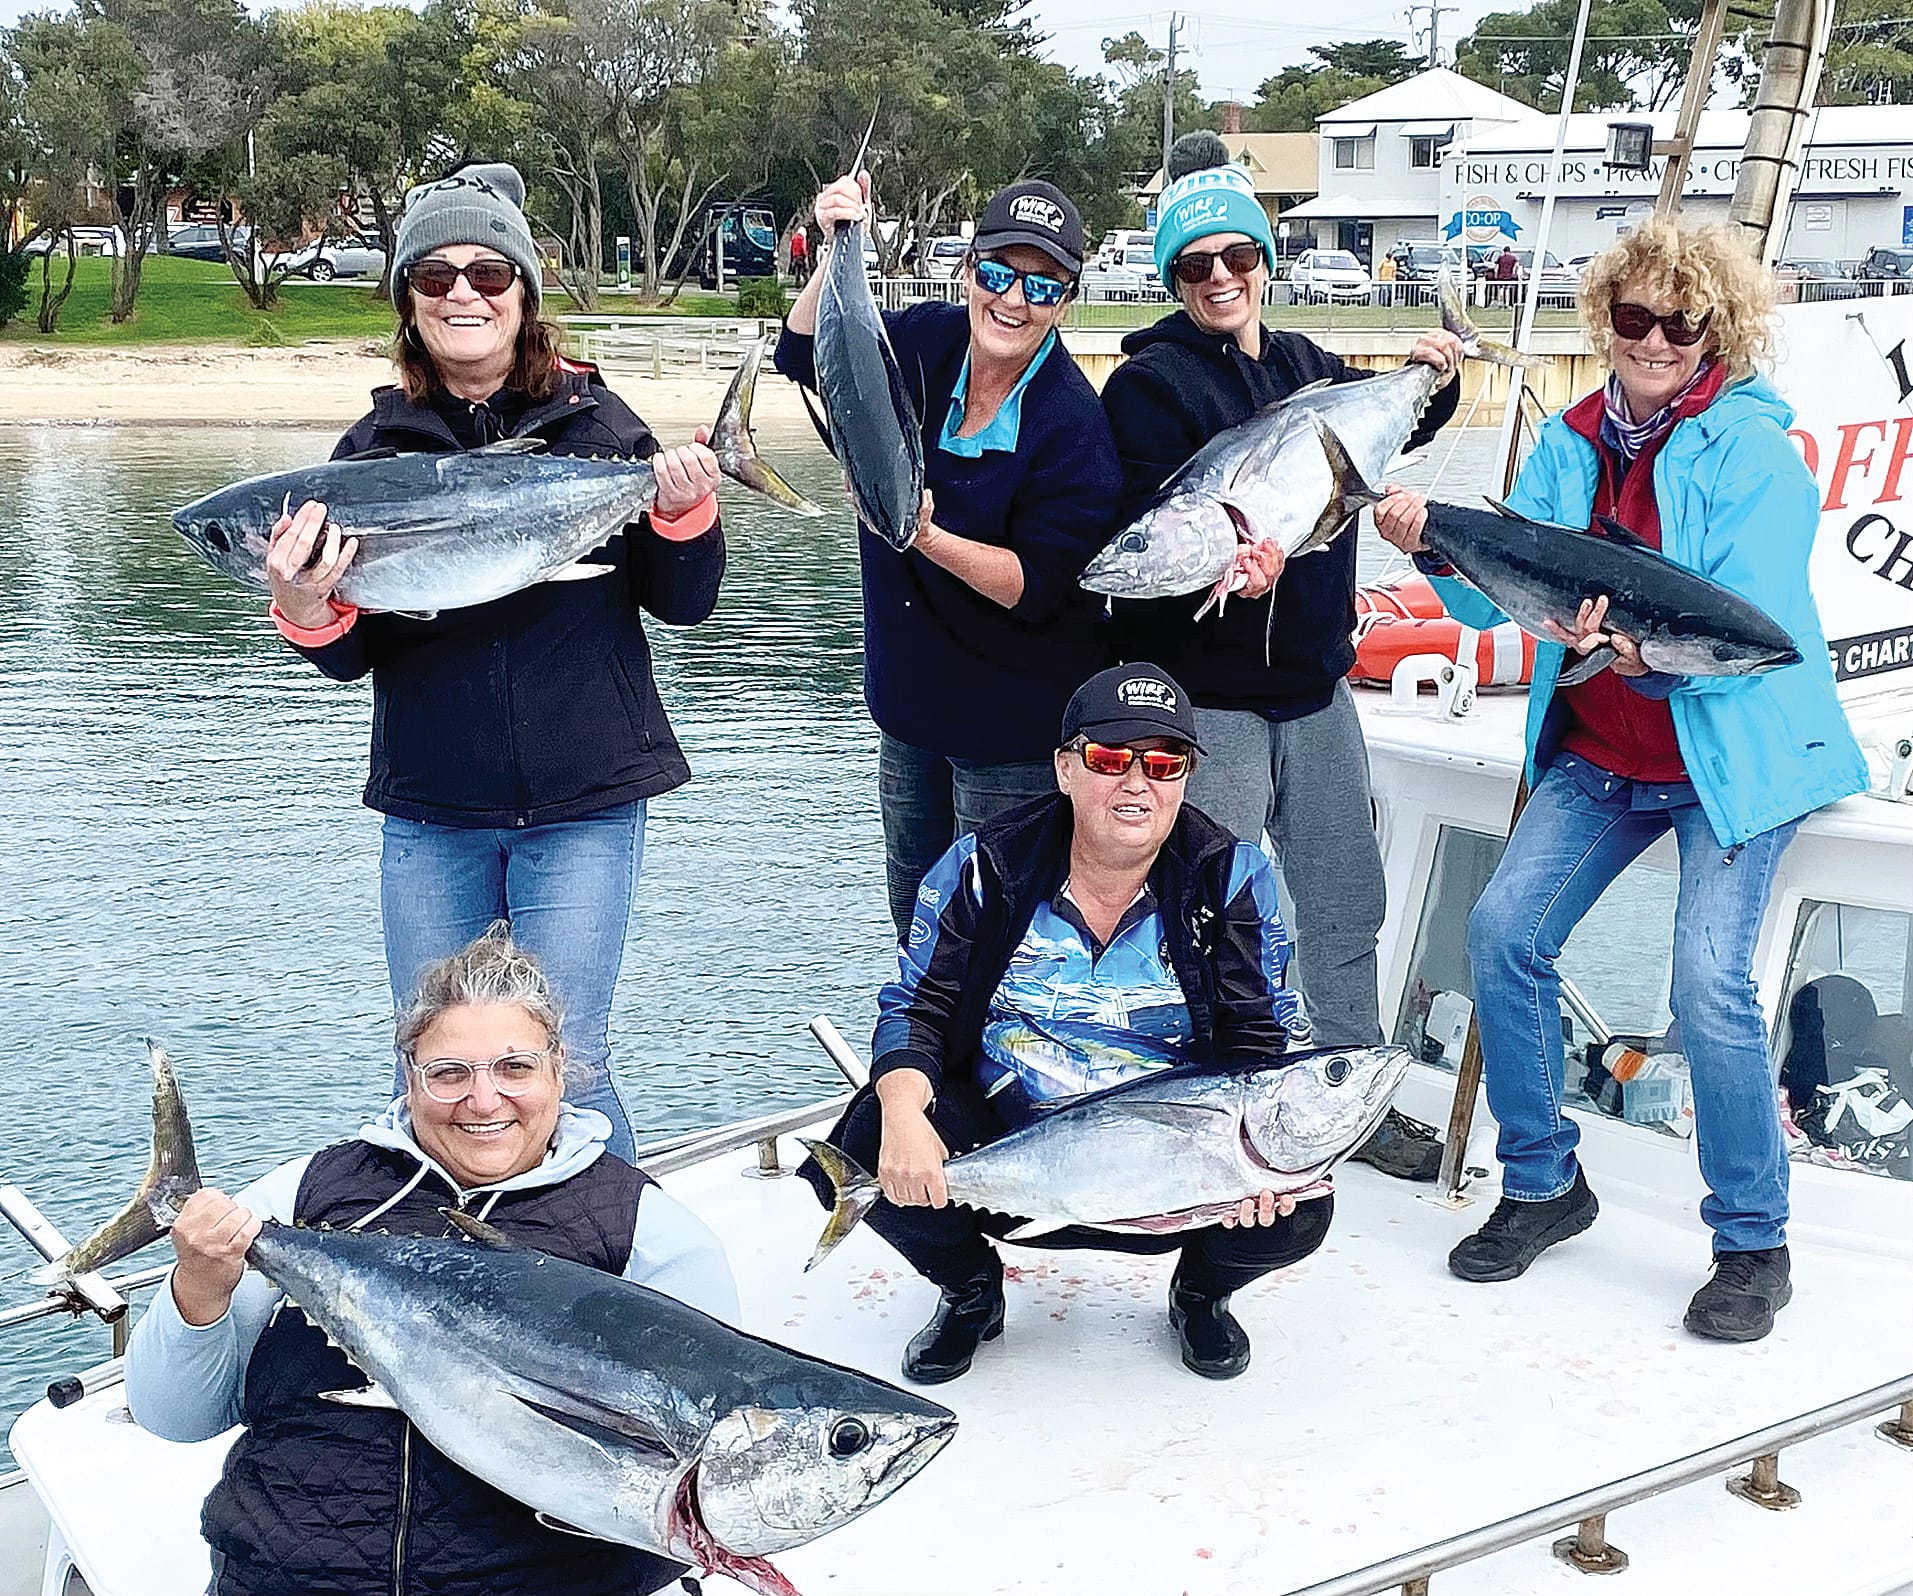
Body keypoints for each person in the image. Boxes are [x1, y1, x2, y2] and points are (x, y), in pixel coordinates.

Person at [1373, 221, 1868, 1341]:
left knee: (1706, 985)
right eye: (1631, 318)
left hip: (1729, 756)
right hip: (1602, 752)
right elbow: (1482, 600)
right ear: (1606, 322)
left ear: (1714, 330)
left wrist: (1644, 658)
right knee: (1501, 932)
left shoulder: (1755, 457)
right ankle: (1545, 1181)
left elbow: (1748, 630)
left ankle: (1750, 1239)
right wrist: (1418, 540)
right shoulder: (1570, 441)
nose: (1650, 339)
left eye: (1676, 321)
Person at [263, 163, 725, 1164]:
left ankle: (608, 1277)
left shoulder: (598, 430)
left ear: (522, 293)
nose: (463, 293)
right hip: (434, 809)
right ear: (408, 306)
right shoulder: (367, 457)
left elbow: (684, 603)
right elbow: (354, 659)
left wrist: (684, 508)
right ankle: (445, 1277)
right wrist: (305, 609)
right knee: (431, 1062)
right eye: (433, 279)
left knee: (571, 1060)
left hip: (586, 800)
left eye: (486, 273)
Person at [123, 925, 738, 1595]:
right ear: (409, 1077)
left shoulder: (643, 1228)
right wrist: (200, 1289)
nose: (482, 1101)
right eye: (449, 1074)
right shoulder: (309, 1195)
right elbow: (175, 1417)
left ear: (560, 1069)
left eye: (515, 1068)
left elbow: (700, 1465)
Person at [1100, 131, 1466, 1182]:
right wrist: (1225, 568)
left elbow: (1387, 430)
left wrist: (1432, 375)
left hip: (1314, 687)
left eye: (1237, 258)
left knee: (1344, 893)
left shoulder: (1311, 367)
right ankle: (1227, 1089)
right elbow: (1145, 532)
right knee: (1219, 904)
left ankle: (1344, 1081)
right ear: (1172, 277)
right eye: (1194, 265)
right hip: (1208, 692)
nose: (1220, 279)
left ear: (1265, 260)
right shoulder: (1146, 386)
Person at [799, 663, 1329, 1386]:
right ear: (1064, 768)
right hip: (1008, 1139)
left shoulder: (1227, 873)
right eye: (1111, 760)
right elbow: (916, 1005)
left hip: (1169, 1162)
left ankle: (1201, 1294)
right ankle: (970, 1291)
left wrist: (1252, 1162)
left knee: (1300, 1202)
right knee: (868, 1138)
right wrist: (900, 1108)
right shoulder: (984, 866)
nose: (1136, 783)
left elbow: (1256, 1039)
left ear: (1186, 777)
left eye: (1163, 762)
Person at [776, 175, 1123, 938]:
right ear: (968, 269)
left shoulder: (1073, 424)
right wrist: (837, 237)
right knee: (919, 923)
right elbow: (803, 355)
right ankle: (926, 1055)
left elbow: (1033, 588)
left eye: (1042, 285)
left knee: (993, 930)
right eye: (997, 273)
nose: (1013, 299)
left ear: (1066, 299)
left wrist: (922, 534)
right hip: (908, 711)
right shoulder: (926, 340)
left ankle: (988, 1056)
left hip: (1011, 733)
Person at [1494, 241, 1520, 307]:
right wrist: (1514, 274)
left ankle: (1500, 303)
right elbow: (1516, 266)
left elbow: (1496, 267)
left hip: (1501, 276)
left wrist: (1496, 274)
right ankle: (1507, 303)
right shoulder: (1513, 258)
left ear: (1504, 251)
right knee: (1507, 289)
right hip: (1509, 276)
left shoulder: (1500, 258)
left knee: (1501, 289)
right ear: (1509, 251)